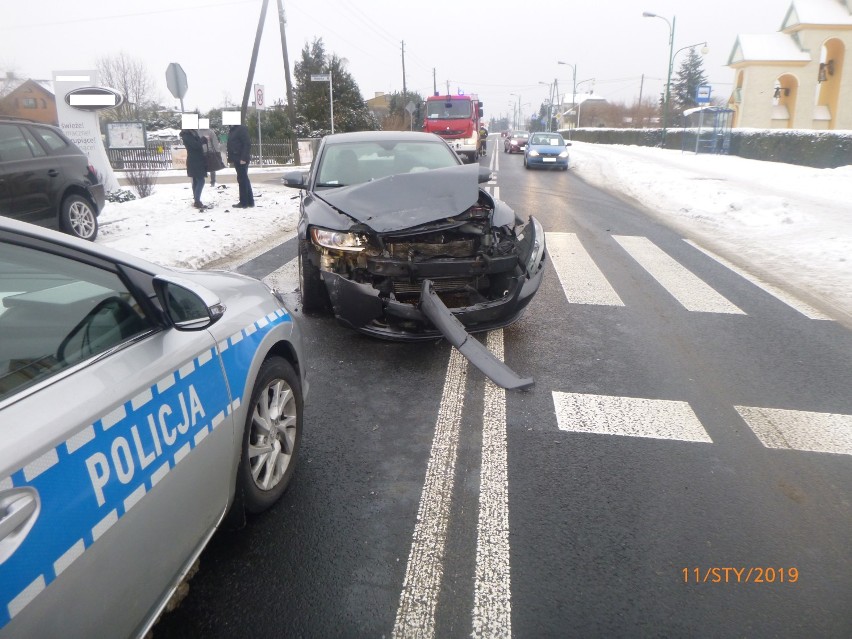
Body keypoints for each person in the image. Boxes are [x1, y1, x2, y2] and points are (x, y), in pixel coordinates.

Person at [227, 123, 254, 208]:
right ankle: (250, 201)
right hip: (236, 157)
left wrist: (243, 158)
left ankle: (244, 202)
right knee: (244, 179)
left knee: (242, 180)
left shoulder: (240, 129)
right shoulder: (233, 130)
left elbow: (247, 144)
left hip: (241, 158)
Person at [179, 128, 207, 208]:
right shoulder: (187, 135)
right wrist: (202, 139)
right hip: (195, 161)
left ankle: (196, 200)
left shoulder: (192, 133)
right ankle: (197, 201)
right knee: (201, 180)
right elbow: (196, 145)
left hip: (197, 160)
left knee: (196, 181)